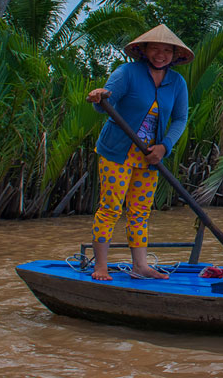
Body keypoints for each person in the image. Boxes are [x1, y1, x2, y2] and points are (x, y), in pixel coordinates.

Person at [84, 25, 193, 281]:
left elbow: (180, 119)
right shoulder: (127, 73)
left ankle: (140, 266)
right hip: (117, 152)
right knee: (110, 208)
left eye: (167, 50)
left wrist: (164, 147)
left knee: (140, 211)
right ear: (143, 50)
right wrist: (100, 96)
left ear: (175, 55)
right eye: (155, 48)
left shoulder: (177, 83)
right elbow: (104, 105)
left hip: (150, 156)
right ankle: (100, 266)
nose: (160, 54)